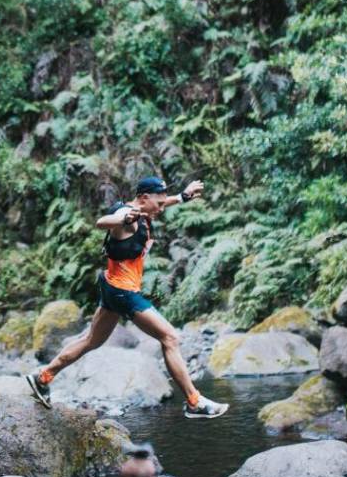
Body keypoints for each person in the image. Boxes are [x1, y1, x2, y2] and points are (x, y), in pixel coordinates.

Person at [24, 175, 229, 419]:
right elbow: (103, 221)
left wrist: (182, 197)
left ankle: (43, 377)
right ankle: (194, 401)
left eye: (164, 203)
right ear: (143, 198)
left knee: (92, 340)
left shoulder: (144, 210)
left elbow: (161, 204)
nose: (162, 208)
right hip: (123, 291)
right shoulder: (126, 217)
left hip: (112, 287)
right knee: (170, 338)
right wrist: (123, 218)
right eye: (159, 203)